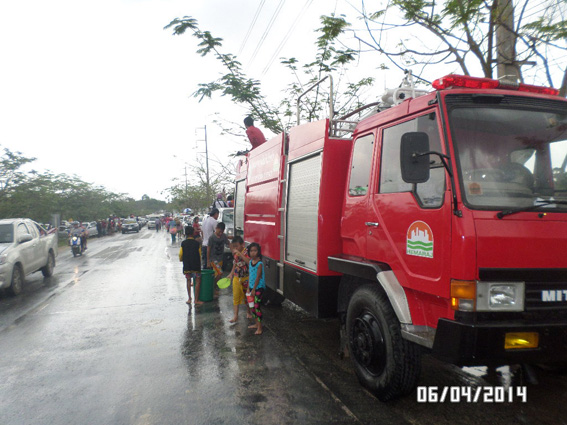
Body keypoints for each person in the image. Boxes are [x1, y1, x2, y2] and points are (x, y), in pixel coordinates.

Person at [227, 236, 252, 323]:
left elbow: (249, 262)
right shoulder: (235, 253)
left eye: (236, 246)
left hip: (246, 277)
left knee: (246, 297)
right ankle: (235, 316)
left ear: (242, 245)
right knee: (236, 296)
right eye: (234, 246)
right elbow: (235, 263)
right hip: (237, 277)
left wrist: (240, 253)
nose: (235, 248)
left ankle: (248, 311)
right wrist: (231, 274)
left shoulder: (247, 252)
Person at [179, 226, 204, 306]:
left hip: (187, 265)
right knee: (197, 281)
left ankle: (189, 298)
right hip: (196, 265)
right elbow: (200, 254)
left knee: (188, 280)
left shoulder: (183, 243)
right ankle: (196, 300)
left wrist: (182, 260)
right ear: (193, 233)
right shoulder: (197, 243)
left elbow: (180, 255)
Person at [246, 242, 265, 335]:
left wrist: (253, 289)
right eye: (251, 251)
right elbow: (250, 275)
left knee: (257, 306)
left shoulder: (260, 263)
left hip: (258, 288)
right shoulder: (250, 262)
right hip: (251, 288)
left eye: (255, 251)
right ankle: (256, 324)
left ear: (258, 252)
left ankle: (260, 327)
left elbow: (258, 277)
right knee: (252, 306)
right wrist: (248, 288)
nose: (253, 253)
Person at [207, 222, 230, 287]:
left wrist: (234, 251)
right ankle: (214, 286)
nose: (220, 233)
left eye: (222, 232)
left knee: (217, 274)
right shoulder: (212, 237)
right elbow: (208, 249)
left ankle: (214, 287)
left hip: (220, 259)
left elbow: (228, 243)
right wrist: (208, 261)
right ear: (216, 228)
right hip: (213, 259)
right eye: (219, 231)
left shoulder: (224, 236)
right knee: (220, 273)